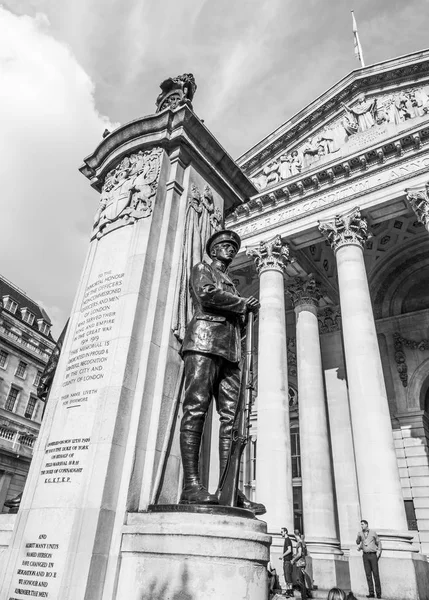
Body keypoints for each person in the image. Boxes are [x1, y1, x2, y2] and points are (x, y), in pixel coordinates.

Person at [179, 229, 265, 514]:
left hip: (230, 352)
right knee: (196, 408)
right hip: (204, 342)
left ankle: (229, 487)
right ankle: (191, 485)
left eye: (232, 246)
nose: (229, 250)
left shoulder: (233, 285)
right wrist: (242, 305)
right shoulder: (203, 269)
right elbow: (205, 295)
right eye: (224, 245)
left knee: (233, 419)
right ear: (213, 251)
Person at [356, 519, 382, 599]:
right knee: (368, 575)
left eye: (363, 524)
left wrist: (378, 552)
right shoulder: (360, 533)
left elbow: (379, 542)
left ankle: (378, 593)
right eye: (361, 524)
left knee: (375, 574)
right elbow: (357, 542)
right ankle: (371, 592)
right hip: (365, 556)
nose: (361, 526)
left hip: (373, 555)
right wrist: (358, 537)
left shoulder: (373, 533)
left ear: (367, 525)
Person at [291, 529, 308, 600]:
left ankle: (304, 596)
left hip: (300, 564)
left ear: (295, 535)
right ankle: (304, 596)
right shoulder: (303, 543)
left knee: (299, 580)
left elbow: (300, 553)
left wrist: (293, 559)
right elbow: (303, 553)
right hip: (303, 563)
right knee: (302, 580)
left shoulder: (299, 543)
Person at [279, 527, 293, 597]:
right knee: (287, 577)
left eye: (282, 532)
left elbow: (289, 550)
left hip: (287, 561)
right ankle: (288, 591)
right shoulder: (286, 540)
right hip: (286, 561)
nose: (281, 533)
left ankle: (290, 592)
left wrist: (282, 555)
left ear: (285, 532)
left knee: (288, 578)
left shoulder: (287, 540)